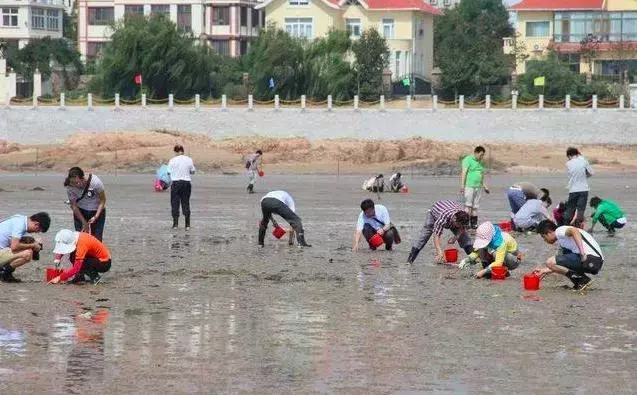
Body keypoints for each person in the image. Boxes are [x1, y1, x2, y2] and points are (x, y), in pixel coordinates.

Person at [535, 219, 603, 292]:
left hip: (590, 259)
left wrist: (582, 253)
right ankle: (581, 282)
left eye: (543, 237)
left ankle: (582, 280)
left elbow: (574, 231)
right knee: (555, 261)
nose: (544, 240)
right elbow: (559, 265)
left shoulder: (559, 230)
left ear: (549, 232)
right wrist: (544, 271)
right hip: (595, 262)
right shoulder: (563, 242)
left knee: (549, 261)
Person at [407, 200, 472, 264]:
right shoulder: (443, 217)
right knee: (425, 235)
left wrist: (455, 237)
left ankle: (473, 258)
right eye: (459, 225)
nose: (459, 227)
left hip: (451, 210)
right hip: (434, 213)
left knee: (464, 237)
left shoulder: (464, 216)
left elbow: (462, 228)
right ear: (454, 219)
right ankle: (410, 260)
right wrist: (439, 252)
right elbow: (436, 235)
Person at [0, 212, 50, 282]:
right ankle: (4, 273)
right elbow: (14, 247)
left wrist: (33, 242)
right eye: (37, 230)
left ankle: (4, 270)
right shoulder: (20, 225)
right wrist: (33, 245)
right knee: (27, 254)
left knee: (28, 241)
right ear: (36, 224)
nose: (36, 232)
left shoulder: (21, 219)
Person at [65, 167, 107, 241]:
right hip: (80, 211)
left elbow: (102, 200)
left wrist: (96, 216)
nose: (75, 185)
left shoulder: (95, 182)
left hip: (97, 211)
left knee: (96, 239)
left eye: (77, 182)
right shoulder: (69, 186)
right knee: (80, 238)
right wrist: (84, 222)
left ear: (82, 178)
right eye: (72, 182)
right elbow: (74, 206)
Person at [461, 146, 489, 229]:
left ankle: (474, 225)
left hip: (478, 187)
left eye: (483, 155)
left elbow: (481, 176)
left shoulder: (480, 163)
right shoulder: (467, 160)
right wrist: (462, 186)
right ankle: (465, 224)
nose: (482, 157)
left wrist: (485, 186)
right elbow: (464, 173)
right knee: (468, 205)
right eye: (481, 155)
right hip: (469, 186)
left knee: (475, 206)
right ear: (476, 153)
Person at [564, 147, 593, 228]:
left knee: (570, 208)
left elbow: (571, 176)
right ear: (577, 153)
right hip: (583, 189)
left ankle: (566, 225)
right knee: (580, 209)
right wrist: (584, 176)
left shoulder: (568, 164)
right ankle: (578, 227)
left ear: (569, 155)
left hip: (573, 190)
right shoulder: (583, 160)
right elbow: (591, 173)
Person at [168, 144, 195, 230]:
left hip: (176, 183)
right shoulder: (189, 159)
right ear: (183, 151)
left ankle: (175, 224)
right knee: (185, 203)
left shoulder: (172, 160)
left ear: (175, 151)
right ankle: (187, 225)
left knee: (175, 203)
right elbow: (193, 171)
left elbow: (168, 172)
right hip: (186, 183)